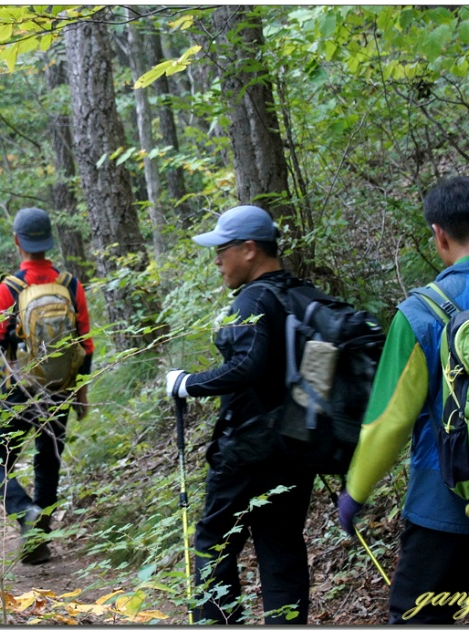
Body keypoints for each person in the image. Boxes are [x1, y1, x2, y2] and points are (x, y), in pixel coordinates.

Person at [337, 177, 469, 624]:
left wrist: (355, 494)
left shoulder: (420, 313)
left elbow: (389, 422)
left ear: (439, 235)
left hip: (442, 503)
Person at [165, 205, 315, 624]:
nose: (216, 259)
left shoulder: (252, 300)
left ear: (249, 249)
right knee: (282, 546)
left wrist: (187, 383)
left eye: (222, 249)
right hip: (296, 447)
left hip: (246, 451)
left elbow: (247, 365)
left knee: (214, 542)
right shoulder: (301, 295)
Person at [0, 207, 93, 565]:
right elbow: (85, 345)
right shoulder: (70, 284)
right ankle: (39, 540)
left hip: (20, 389)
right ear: (48, 240)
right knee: (48, 461)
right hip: (61, 387)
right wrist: (80, 392)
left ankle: (24, 512)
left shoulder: (9, 289)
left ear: (16, 241)